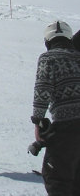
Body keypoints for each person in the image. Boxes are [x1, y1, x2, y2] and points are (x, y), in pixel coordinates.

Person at [31, 20, 80, 194]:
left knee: (57, 178)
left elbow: (42, 90)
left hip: (66, 127)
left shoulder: (48, 58)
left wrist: (38, 121)